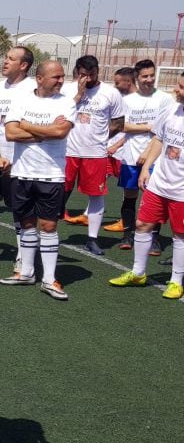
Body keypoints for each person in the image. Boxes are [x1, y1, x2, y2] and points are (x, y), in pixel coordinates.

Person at [0, 61, 76, 300]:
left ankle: (49, 278)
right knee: (27, 224)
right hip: (22, 173)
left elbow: (60, 133)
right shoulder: (21, 100)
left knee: (49, 226)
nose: (61, 80)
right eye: (56, 77)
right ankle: (26, 272)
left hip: (51, 174)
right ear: (40, 78)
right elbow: (10, 133)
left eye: (62, 76)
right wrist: (46, 131)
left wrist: (27, 126)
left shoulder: (66, 102)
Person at [109, 73, 184, 299]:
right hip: (159, 182)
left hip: (181, 190)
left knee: (180, 234)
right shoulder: (171, 110)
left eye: (181, 87)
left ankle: (176, 281)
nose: (176, 90)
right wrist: (146, 168)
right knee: (142, 224)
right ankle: (138, 273)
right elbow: (159, 139)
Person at [105, 60, 175, 248]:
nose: (149, 79)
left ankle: (154, 239)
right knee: (129, 196)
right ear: (137, 77)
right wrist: (146, 126)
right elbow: (121, 125)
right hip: (129, 156)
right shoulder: (127, 101)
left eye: (152, 75)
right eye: (145, 76)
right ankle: (128, 235)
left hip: (154, 157)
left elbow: (162, 131)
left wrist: (147, 150)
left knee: (154, 197)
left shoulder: (164, 99)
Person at [60, 55, 124, 255]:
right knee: (56, 192)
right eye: (82, 75)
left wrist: (102, 138)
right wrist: (78, 95)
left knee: (96, 195)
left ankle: (92, 239)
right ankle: (46, 234)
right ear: (76, 73)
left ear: (98, 72)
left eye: (91, 74)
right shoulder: (66, 90)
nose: (87, 79)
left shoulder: (110, 93)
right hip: (66, 151)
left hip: (95, 153)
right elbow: (58, 115)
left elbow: (118, 122)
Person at [0, 46, 36, 270]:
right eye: (5, 57)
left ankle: (23, 259)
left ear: (24, 65)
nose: (4, 62)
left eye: (11, 59)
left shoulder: (33, 89)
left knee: (19, 210)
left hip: (19, 160)